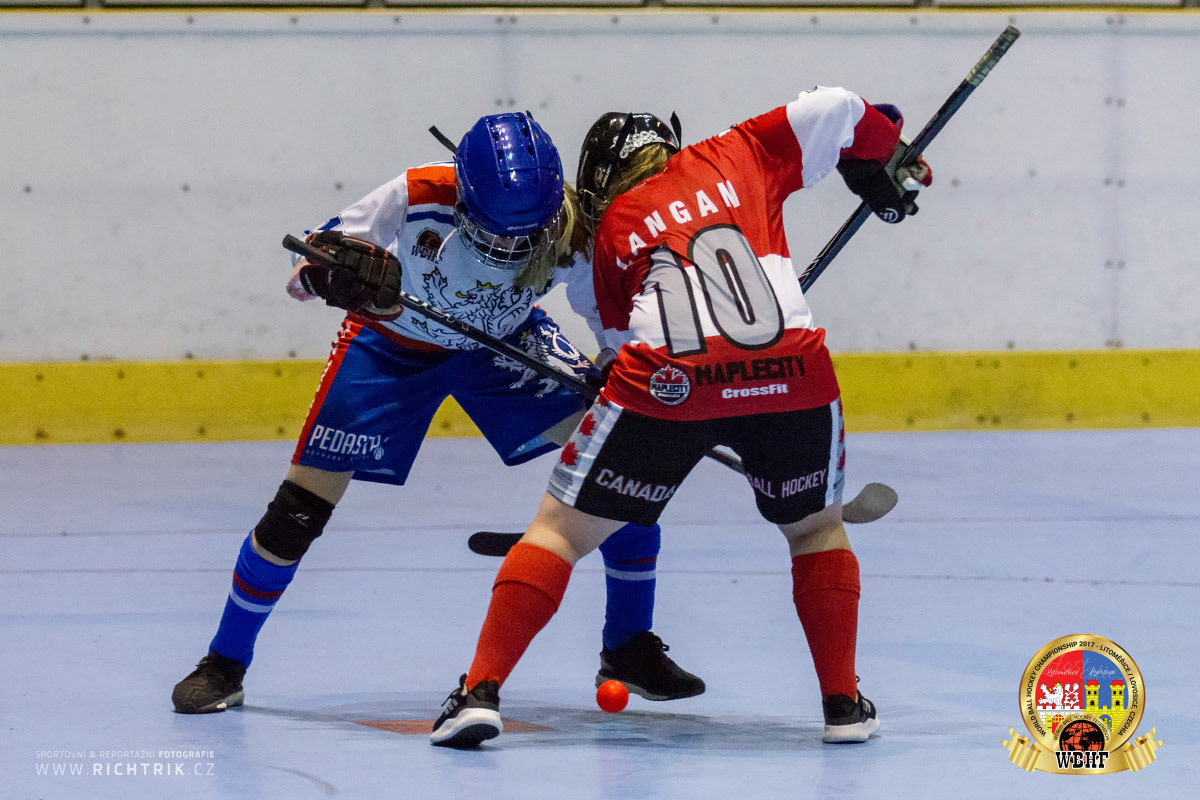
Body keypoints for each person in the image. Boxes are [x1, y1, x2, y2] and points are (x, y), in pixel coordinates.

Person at [429, 89, 933, 748]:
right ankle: (843, 705)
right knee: (814, 530)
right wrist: (879, 152)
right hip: (792, 373)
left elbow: (621, 352)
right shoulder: (738, 151)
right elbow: (840, 106)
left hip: (669, 382)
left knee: (558, 533)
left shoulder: (614, 230)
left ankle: (478, 694)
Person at [170, 112, 704, 715]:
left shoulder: (571, 227)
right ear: (463, 195)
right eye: (494, 235)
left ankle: (628, 645)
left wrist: (614, 362)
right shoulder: (417, 192)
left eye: (523, 239)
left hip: (504, 343)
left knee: (622, 467)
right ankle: (224, 661)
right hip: (390, 345)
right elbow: (304, 269)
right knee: (298, 509)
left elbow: (610, 323)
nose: (507, 252)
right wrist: (327, 278)